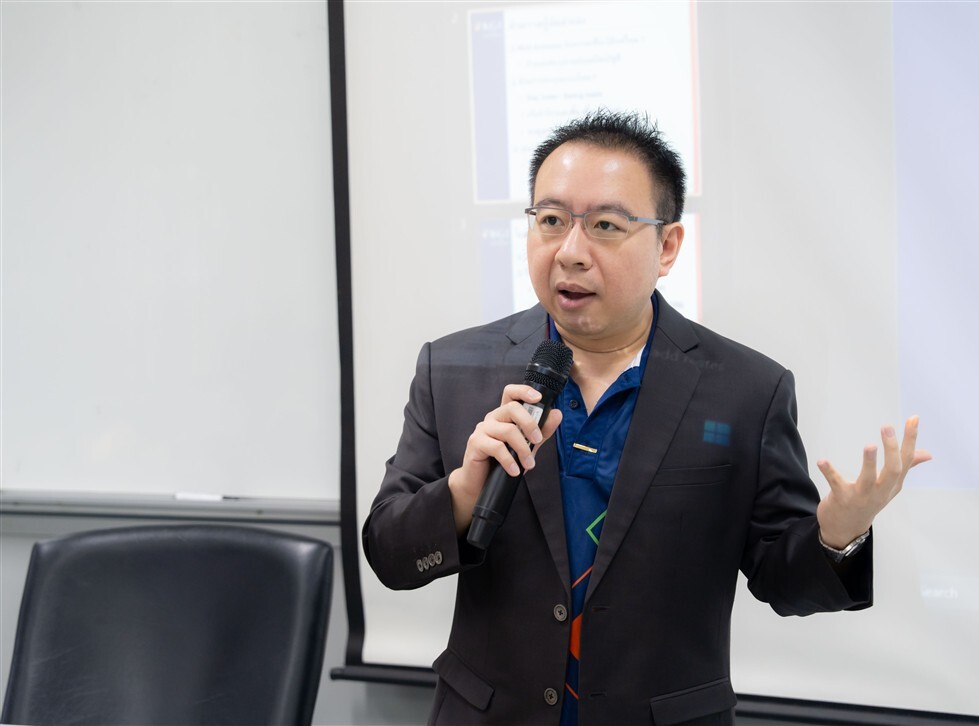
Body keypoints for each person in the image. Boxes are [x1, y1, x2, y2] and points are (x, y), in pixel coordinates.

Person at [362, 110, 930, 726]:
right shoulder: (452, 369)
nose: (570, 252)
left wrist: (837, 536)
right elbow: (390, 556)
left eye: (605, 225)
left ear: (667, 246)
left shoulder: (745, 390)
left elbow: (783, 582)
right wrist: (461, 495)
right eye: (551, 221)